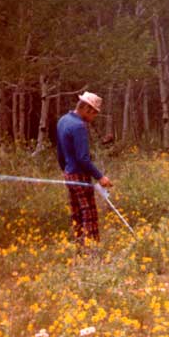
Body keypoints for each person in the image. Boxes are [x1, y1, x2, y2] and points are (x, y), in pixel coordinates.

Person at [57, 91, 112, 246]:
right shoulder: (79, 126)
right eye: (94, 114)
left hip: (69, 175)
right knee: (89, 215)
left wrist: (66, 170)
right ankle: (92, 252)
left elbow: (60, 153)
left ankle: (80, 248)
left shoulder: (63, 120)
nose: (93, 118)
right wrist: (100, 177)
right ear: (87, 109)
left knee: (77, 214)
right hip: (80, 176)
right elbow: (83, 159)